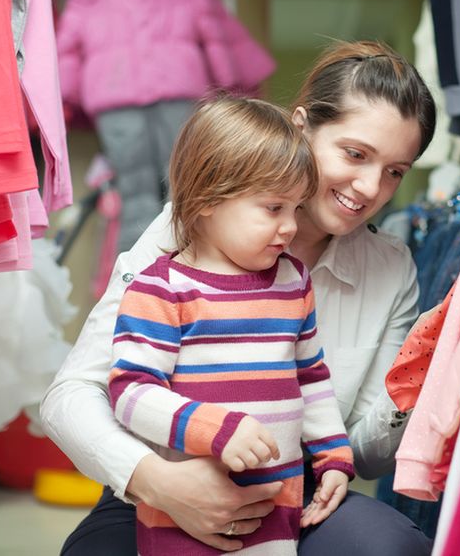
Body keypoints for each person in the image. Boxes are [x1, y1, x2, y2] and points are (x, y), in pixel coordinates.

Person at [41, 40, 437, 555]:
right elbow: (71, 395)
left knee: (388, 547)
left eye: (395, 172)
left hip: (294, 490)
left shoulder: (389, 267)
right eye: (355, 154)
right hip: (162, 476)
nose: (368, 187)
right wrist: (158, 482)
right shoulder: (184, 233)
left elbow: (362, 452)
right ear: (300, 127)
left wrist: (422, 373)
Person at [107, 96, 356, 555]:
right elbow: (131, 392)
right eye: (273, 207)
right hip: (183, 516)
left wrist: (333, 457)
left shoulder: (293, 280)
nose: (288, 227)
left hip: (276, 508)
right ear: (207, 199)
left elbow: (312, 378)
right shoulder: (161, 289)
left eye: (296, 209)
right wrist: (214, 429)